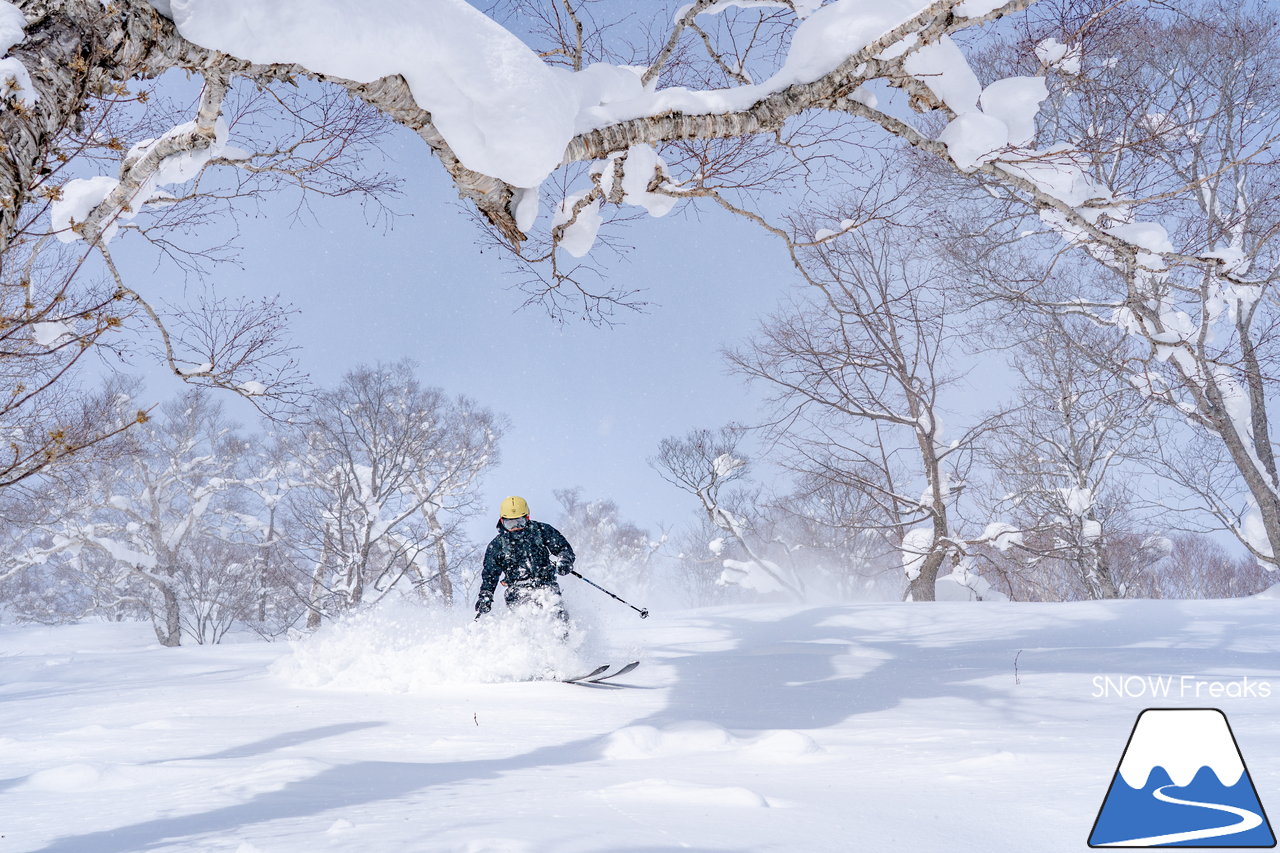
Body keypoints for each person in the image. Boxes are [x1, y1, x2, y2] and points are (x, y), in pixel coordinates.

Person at [475, 495, 576, 624]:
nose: (515, 528)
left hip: (546, 584)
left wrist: (564, 561)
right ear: (502, 521)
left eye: (519, 522)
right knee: (526, 617)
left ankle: (563, 639)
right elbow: (490, 573)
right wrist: (486, 595)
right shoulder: (497, 546)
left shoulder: (541, 531)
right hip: (517, 591)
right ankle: (526, 640)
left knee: (557, 614)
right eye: (510, 523)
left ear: (527, 518)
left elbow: (563, 548)